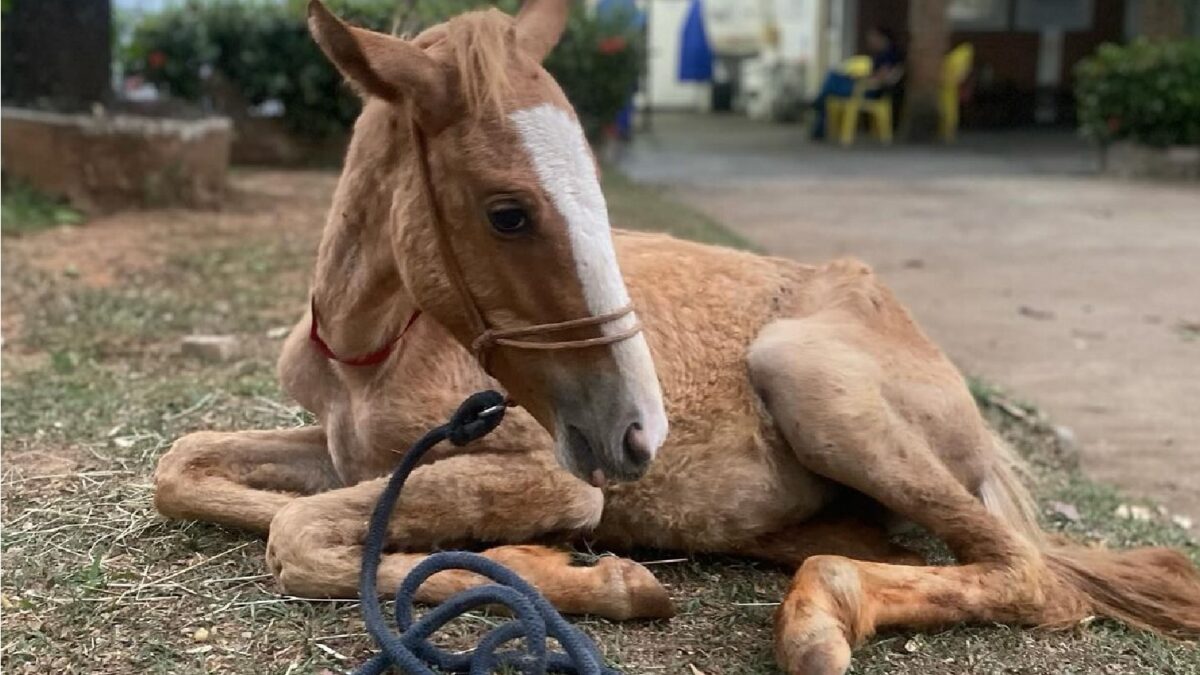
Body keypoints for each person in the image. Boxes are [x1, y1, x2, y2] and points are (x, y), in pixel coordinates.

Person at [810, 26, 904, 140]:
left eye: (873, 37)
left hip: (870, 90)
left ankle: (817, 104)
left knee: (830, 85)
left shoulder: (890, 55)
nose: (870, 41)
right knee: (832, 80)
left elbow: (883, 76)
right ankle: (819, 108)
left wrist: (864, 79)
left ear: (882, 38)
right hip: (863, 87)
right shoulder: (879, 54)